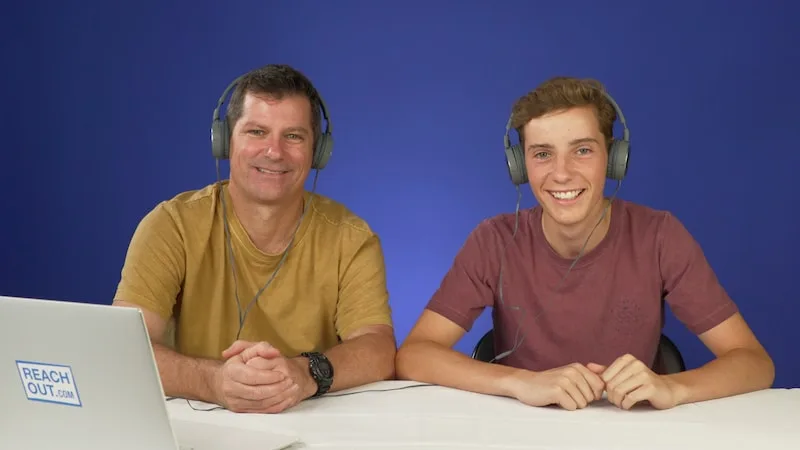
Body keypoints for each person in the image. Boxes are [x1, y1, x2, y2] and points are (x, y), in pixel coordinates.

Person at [395, 76, 774, 411]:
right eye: (543, 154)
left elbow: (754, 362)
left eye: (582, 150)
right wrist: (519, 382)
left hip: (632, 433)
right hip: (523, 433)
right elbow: (414, 355)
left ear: (613, 158)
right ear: (519, 165)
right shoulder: (493, 240)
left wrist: (672, 388)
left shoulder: (659, 235)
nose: (562, 173)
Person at [112, 64, 396, 414]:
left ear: (318, 152)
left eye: (293, 136)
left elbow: (379, 349)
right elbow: (122, 348)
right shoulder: (172, 225)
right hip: (198, 429)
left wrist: (305, 373)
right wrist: (213, 381)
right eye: (257, 132)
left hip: (312, 428)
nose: (274, 152)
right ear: (225, 141)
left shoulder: (351, 238)